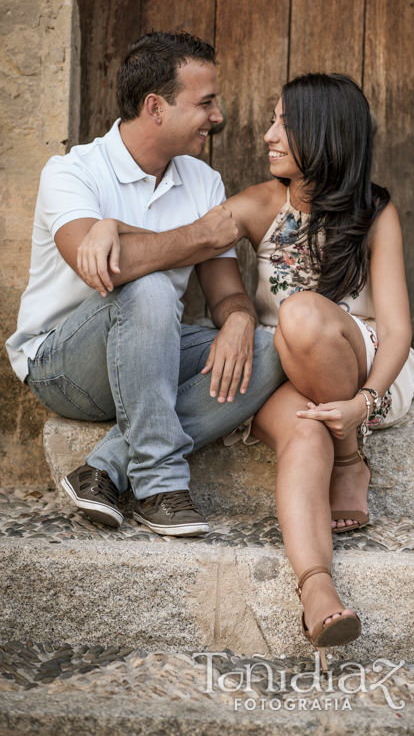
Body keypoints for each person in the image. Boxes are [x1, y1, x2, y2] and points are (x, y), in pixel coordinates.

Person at [78, 72, 414, 666]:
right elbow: (185, 239)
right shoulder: (263, 203)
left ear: (324, 131)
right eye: (272, 119)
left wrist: (364, 401)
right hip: (279, 370)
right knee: (303, 429)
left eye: (283, 122)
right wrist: (108, 227)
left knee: (304, 316)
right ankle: (318, 589)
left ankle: (351, 455)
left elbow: (396, 330)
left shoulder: (375, 211)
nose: (267, 134)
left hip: (360, 366)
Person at [5, 31, 286, 537]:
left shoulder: (203, 181)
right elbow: (106, 270)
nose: (217, 116)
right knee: (150, 285)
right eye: (205, 103)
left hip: (151, 353)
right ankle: (159, 483)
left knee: (274, 349)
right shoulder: (72, 173)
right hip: (64, 364)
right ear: (156, 107)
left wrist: (241, 319)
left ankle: (104, 468)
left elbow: (224, 292)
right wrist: (199, 234)